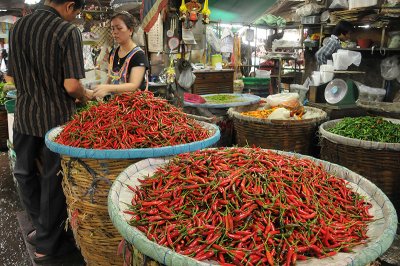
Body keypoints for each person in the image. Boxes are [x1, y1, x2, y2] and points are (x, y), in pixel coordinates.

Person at [8, 0, 92, 264]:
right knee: (52, 181)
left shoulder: (17, 27)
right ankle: (46, 242)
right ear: (69, 5)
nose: (74, 18)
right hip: (56, 122)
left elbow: (11, 76)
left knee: (24, 173)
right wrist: (85, 95)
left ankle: (39, 227)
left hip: (24, 115)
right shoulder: (67, 31)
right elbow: (71, 86)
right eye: (76, 12)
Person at [93, 11, 149, 98]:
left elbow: (134, 85)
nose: (114, 32)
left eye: (119, 28)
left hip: (133, 106)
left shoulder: (138, 56)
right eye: (112, 29)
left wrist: (108, 88)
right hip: (115, 105)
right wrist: (101, 92)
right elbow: (110, 77)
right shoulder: (113, 53)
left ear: (130, 30)